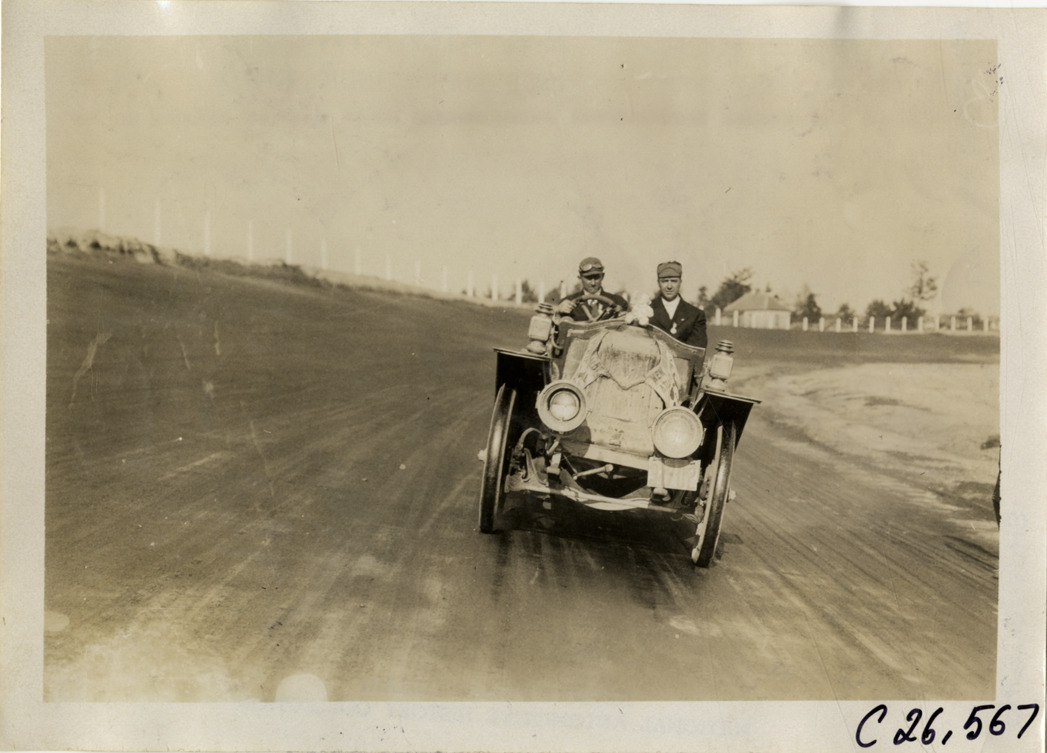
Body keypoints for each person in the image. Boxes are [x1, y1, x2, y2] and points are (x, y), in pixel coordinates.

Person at [650, 260, 708, 348]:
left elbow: (696, 351)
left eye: (674, 281)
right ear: (658, 283)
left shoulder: (695, 315)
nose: (669, 286)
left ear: (680, 282)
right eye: (664, 281)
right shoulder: (645, 310)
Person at [556, 257, 629, 322]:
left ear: (602, 276)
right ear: (580, 277)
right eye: (588, 278)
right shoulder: (567, 303)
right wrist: (558, 313)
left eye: (596, 277)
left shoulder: (618, 301)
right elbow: (559, 328)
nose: (593, 283)